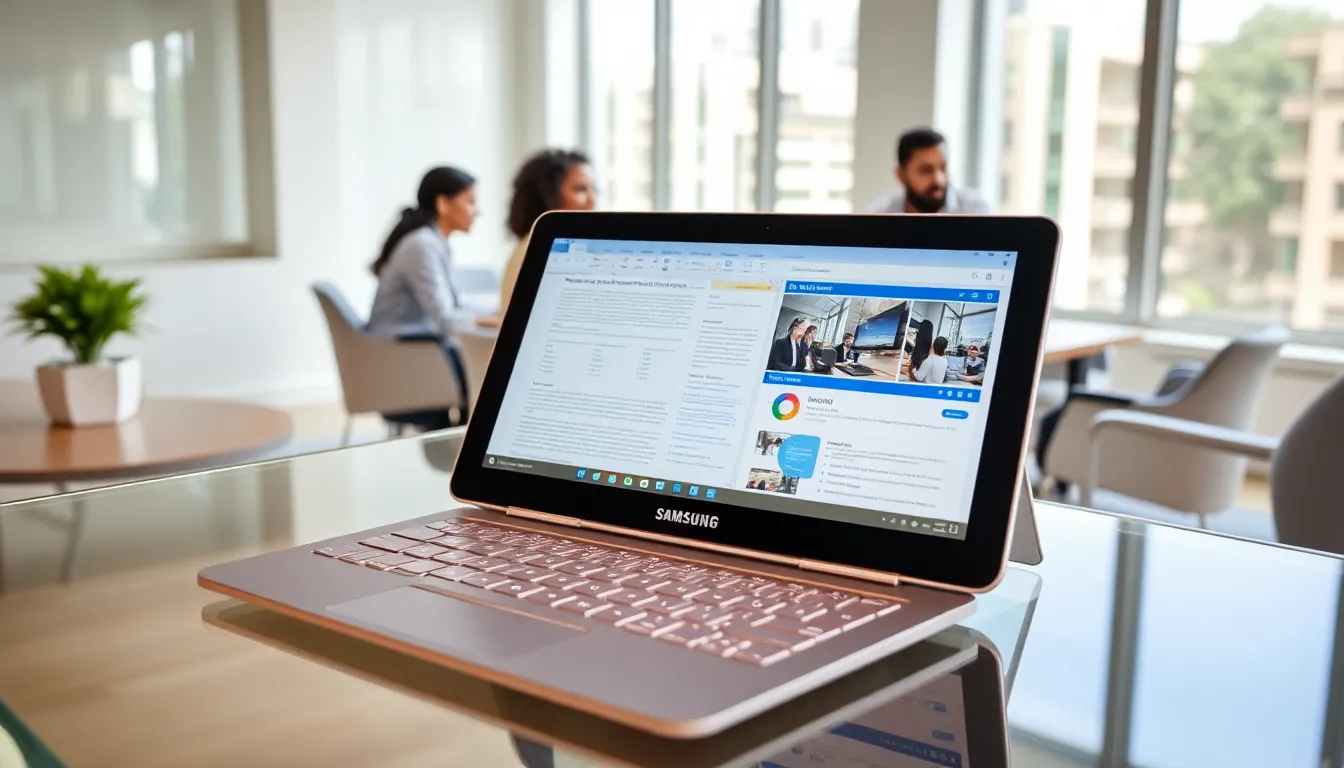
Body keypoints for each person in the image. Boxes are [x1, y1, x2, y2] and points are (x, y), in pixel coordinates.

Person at [366, 166, 479, 430]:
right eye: (471, 202)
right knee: (482, 383)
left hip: (409, 352)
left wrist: (493, 316)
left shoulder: (431, 242)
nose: (477, 211)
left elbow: (455, 307)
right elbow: (447, 320)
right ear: (443, 204)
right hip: (403, 360)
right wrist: (491, 320)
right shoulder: (422, 245)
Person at [498, 149, 596, 313]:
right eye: (580, 189)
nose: (592, 201)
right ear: (547, 195)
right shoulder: (536, 249)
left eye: (594, 191)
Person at [867, 128, 992, 215]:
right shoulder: (879, 216)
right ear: (900, 175)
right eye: (925, 170)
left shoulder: (977, 211)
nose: (939, 179)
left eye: (943, 168)